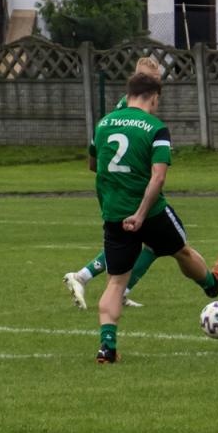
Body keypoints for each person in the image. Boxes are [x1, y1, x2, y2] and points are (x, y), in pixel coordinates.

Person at [91, 62, 218, 363]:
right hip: (150, 213)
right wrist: (141, 213)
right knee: (181, 250)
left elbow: (94, 165)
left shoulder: (102, 124)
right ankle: (210, 284)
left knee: (116, 282)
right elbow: (158, 177)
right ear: (153, 97)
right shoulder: (156, 128)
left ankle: (107, 346)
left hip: (114, 215)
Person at [64, 57, 163, 309]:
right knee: (142, 243)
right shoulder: (129, 111)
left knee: (136, 243)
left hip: (119, 186)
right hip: (126, 188)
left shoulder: (125, 105)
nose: (158, 86)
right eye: (154, 80)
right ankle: (87, 278)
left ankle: (90, 280)